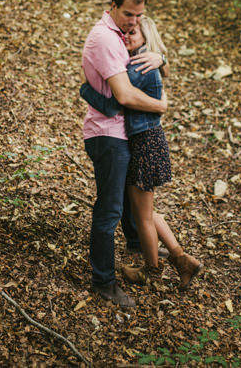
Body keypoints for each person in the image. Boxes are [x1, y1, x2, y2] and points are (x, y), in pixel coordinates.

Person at [81, 17, 203, 291]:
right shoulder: (146, 60)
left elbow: (115, 102)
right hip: (146, 141)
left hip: (145, 143)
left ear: (145, 37)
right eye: (125, 31)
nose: (126, 35)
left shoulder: (137, 66)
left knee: (143, 215)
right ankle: (181, 259)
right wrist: (161, 57)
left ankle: (153, 272)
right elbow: (163, 71)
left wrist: (86, 88)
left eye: (133, 32)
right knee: (144, 209)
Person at [81, 0, 168, 308]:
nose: (133, 21)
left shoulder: (119, 34)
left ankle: (137, 244)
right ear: (113, 6)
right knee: (109, 209)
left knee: (132, 199)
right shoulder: (104, 37)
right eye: (128, 14)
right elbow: (125, 95)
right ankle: (103, 281)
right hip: (107, 134)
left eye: (139, 15)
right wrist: (160, 106)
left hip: (124, 131)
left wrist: (160, 56)